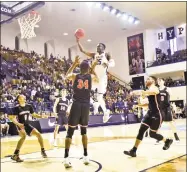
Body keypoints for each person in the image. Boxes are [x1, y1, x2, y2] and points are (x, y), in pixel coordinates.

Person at [123, 76, 173, 157]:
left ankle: (167, 141)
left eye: (148, 79)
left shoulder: (155, 88)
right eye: (146, 79)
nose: (146, 80)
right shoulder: (149, 91)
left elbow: (154, 92)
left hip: (158, 114)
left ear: (153, 81)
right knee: (141, 130)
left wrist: (140, 92)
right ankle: (133, 151)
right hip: (150, 113)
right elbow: (149, 104)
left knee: (152, 134)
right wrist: (138, 105)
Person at [63, 56, 98, 168]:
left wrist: (73, 64)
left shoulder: (74, 76)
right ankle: (86, 155)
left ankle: (66, 158)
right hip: (86, 106)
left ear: (79, 68)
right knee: (84, 131)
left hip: (76, 104)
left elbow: (65, 76)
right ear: (87, 69)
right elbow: (97, 78)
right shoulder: (91, 76)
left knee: (70, 132)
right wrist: (93, 67)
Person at [76, 37, 115, 122]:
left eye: (99, 46)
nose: (98, 47)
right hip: (95, 77)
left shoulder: (107, 55)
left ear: (103, 48)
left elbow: (113, 63)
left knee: (99, 97)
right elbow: (83, 50)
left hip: (102, 78)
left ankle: (105, 112)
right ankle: (95, 104)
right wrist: (78, 41)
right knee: (84, 90)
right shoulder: (94, 55)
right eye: (97, 46)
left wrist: (107, 64)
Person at [8, 94, 48, 162]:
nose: (24, 97)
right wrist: (18, 124)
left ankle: (43, 150)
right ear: (19, 99)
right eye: (22, 97)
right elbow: (12, 118)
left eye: (24, 97)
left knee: (39, 134)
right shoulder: (17, 108)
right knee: (23, 136)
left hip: (27, 125)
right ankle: (15, 154)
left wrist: (41, 116)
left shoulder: (29, 106)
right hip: (20, 124)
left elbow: (34, 115)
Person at [156, 78, 180, 143]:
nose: (159, 82)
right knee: (158, 124)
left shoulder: (168, 89)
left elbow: (171, 96)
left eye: (160, 80)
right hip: (160, 108)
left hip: (167, 108)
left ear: (163, 81)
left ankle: (176, 135)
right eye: (158, 81)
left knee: (171, 123)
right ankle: (158, 138)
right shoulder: (156, 90)